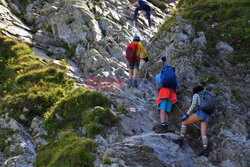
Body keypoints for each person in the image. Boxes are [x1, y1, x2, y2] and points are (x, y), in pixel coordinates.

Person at [179, 85, 211, 156]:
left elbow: (193, 105)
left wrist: (187, 114)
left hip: (200, 113)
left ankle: (180, 141)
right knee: (203, 133)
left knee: (184, 123)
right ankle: (205, 149)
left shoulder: (196, 95)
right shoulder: (207, 96)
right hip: (207, 115)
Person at [155, 67, 181, 132]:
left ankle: (162, 126)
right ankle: (166, 126)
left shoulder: (159, 76)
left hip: (163, 93)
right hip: (171, 94)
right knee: (166, 111)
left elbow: (158, 88)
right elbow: (179, 89)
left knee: (162, 110)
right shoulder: (173, 78)